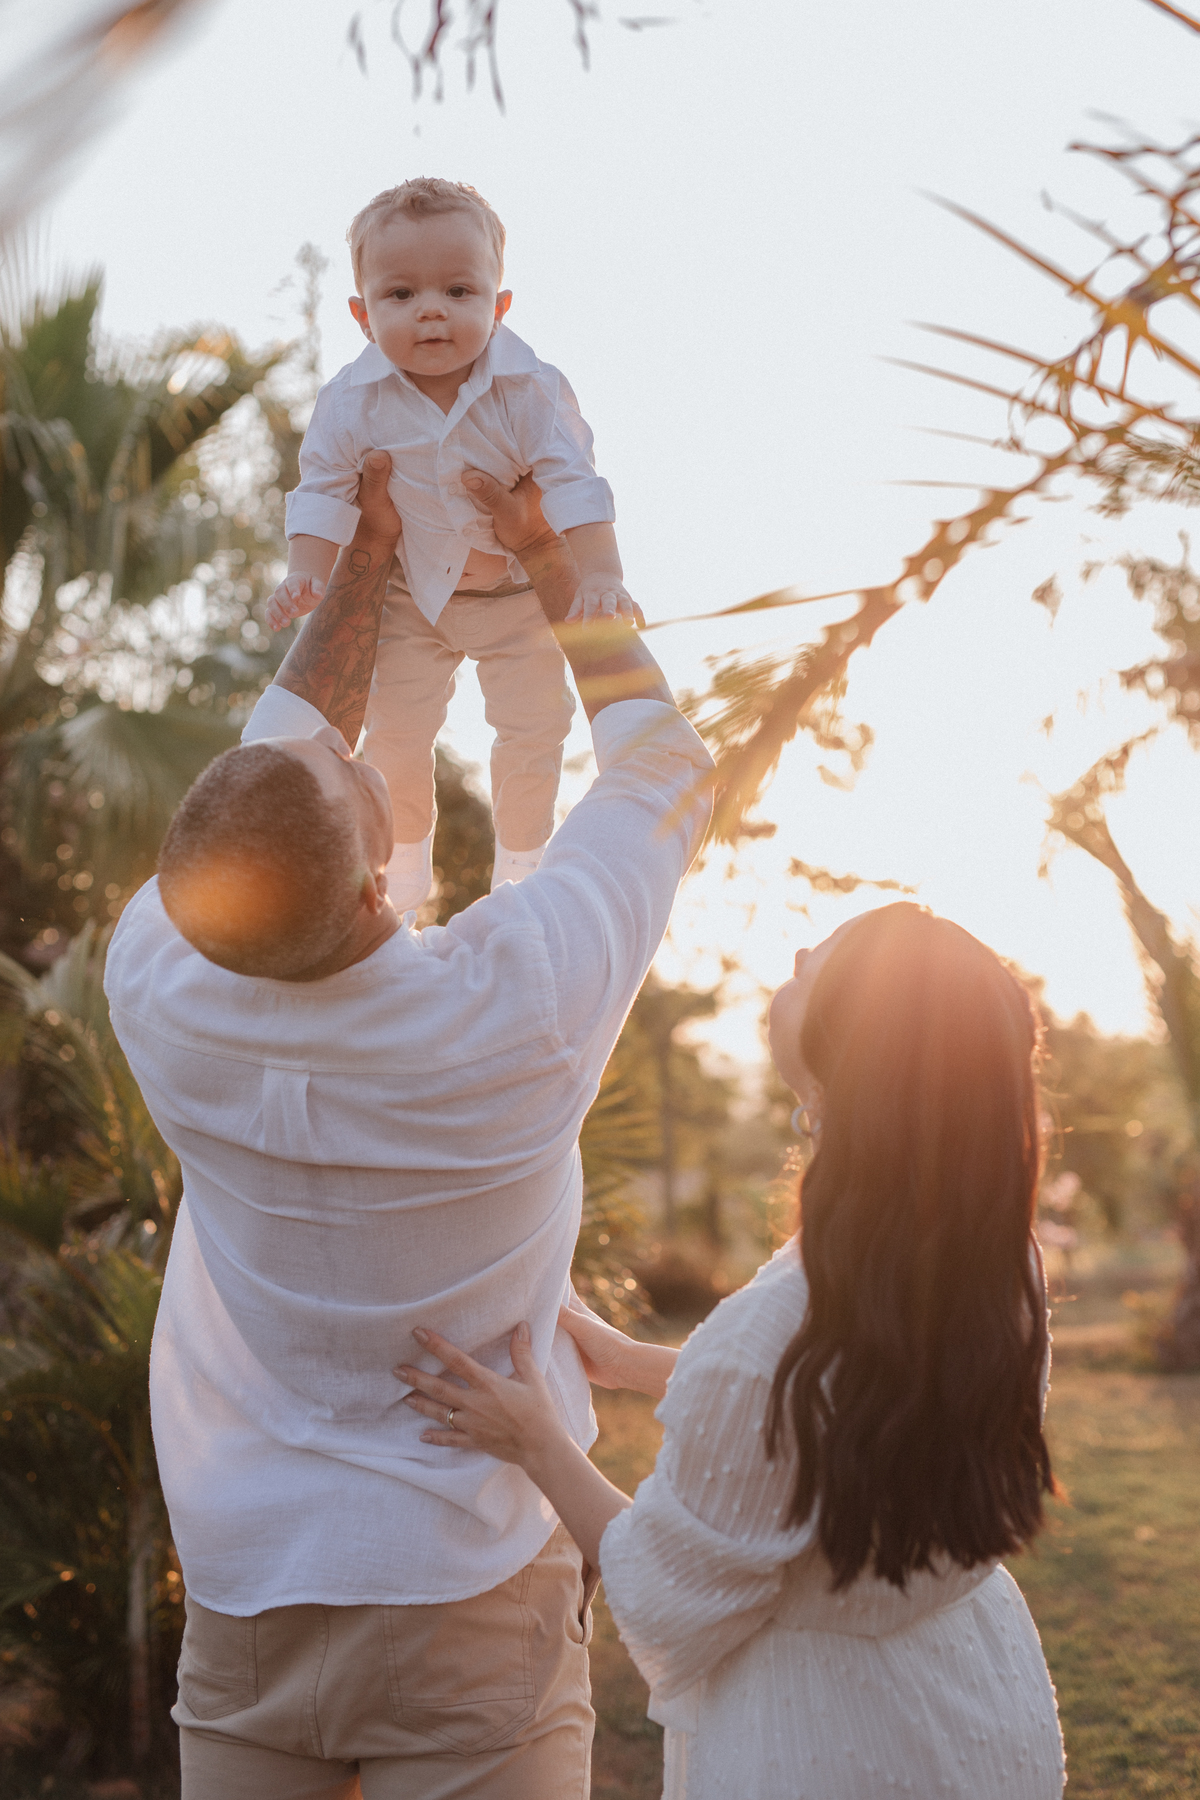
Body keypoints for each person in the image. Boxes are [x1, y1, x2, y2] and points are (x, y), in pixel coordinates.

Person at [104, 454, 713, 1799]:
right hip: (471, 1591)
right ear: (379, 879)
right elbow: (667, 762)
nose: (332, 748)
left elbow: (277, 757)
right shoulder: (519, 1008)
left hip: (249, 1597)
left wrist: (368, 552)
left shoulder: (154, 980)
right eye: (348, 775)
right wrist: (559, 572)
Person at [398, 904, 1068, 1800]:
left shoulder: (777, 1332)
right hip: (975, 1698)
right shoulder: (991, 1257)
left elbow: (655, 1585)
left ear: (855, 1057)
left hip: (825, 1738)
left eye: (815, 967)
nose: (794, 954)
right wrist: (641, 1364)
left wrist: (538, 1443)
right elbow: (853, 1394)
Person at [266, 176, 636, 910]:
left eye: (459, 291)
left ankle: (522, 869)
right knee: (396, 737)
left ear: (498, 305)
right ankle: (402, 878)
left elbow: (575, 483)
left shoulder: (530, 390)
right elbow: (324, 485)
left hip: (515, 595)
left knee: (533, 730)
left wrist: (600, 575)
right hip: (413, 594)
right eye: (400, 295)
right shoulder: (351, 400)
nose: (431, 309)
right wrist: (307, 569)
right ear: (363, 316)